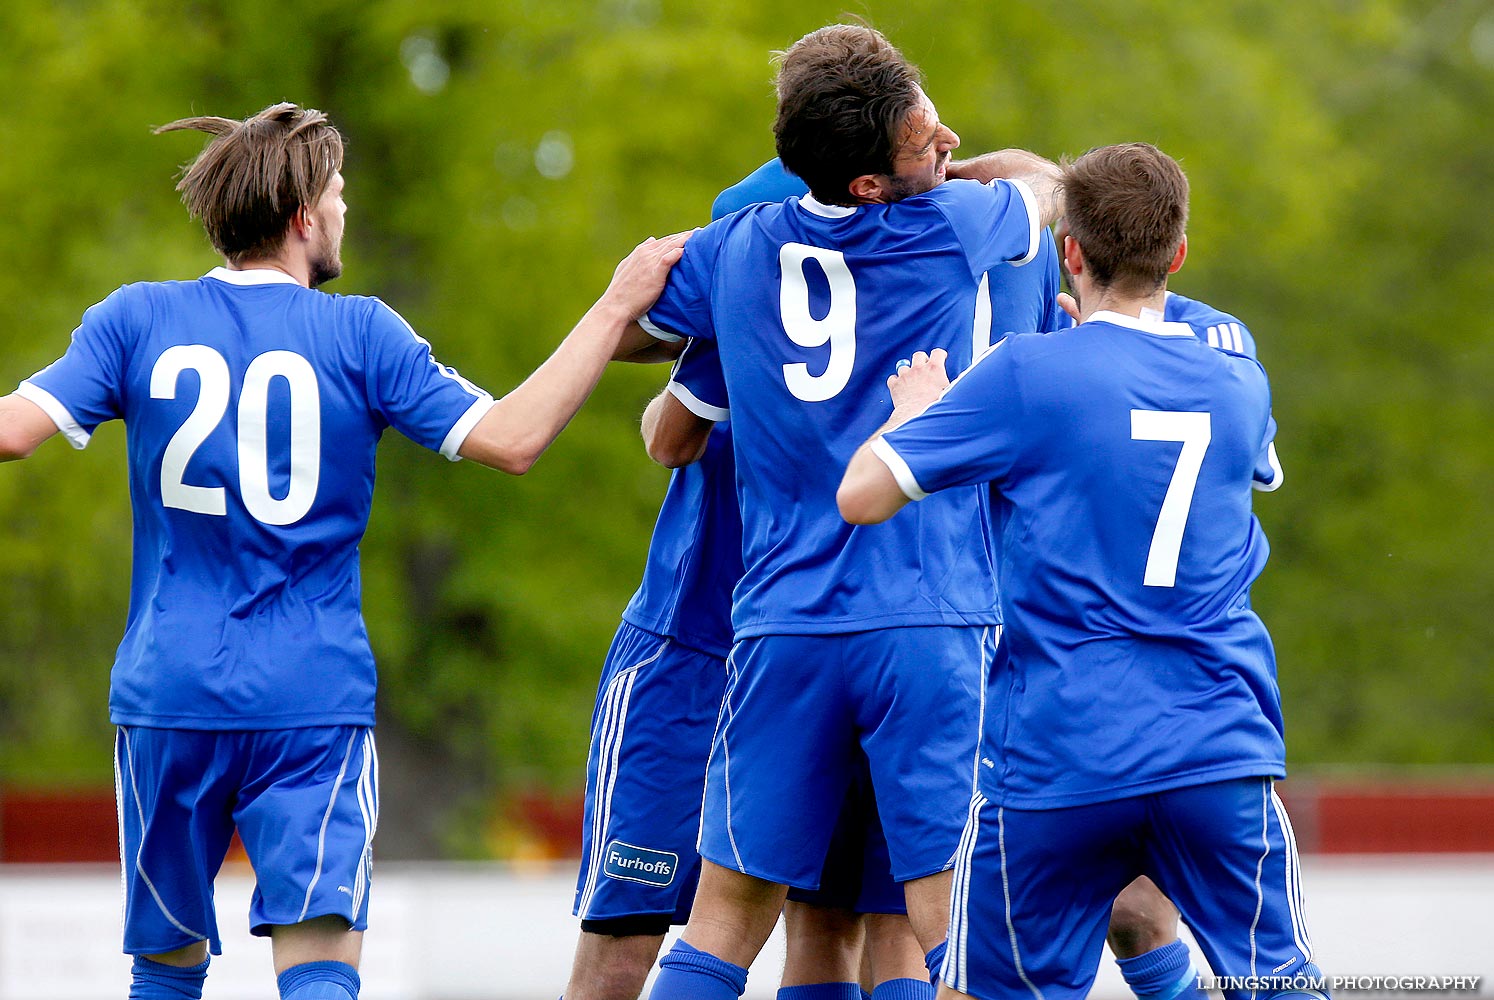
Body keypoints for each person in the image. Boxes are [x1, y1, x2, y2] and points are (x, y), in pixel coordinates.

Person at [0, 102, 685, 1000]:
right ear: (302, 217)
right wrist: (613, 306)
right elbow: (514, 439)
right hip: (310, 697)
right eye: (339, 193)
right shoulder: (361, 333)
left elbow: (12, 434)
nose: (345, 211)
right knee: (320, 967)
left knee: (163, 972)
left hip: (167, 693)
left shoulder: (134, 320)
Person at [631, 25, 1065, 1000]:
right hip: (928, 620)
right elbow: (1051, 188)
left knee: (727, 922)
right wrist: (989, 172)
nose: (947, 140)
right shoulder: (954, 228)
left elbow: (654, 344)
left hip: (783, 627)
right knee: (950, 922)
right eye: (926, 139)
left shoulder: (738, 248)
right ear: (872, 183)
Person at [837, 143, 1321, 1000]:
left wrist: (918, 411)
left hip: (1061, 755)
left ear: (1070, 251)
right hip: (1217, 746)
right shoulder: (1238, 379)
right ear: (1177, 253)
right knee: (1280, 982)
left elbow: (862, 497)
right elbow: (1248, 470)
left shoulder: (1026, 371)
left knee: (986, 988)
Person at [568, 159, 931, 1000]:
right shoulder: (887, 285)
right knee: (628, 944)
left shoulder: (843, 304)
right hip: (700, 646)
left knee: (825, 923)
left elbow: (666, 433)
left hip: (815, 641)